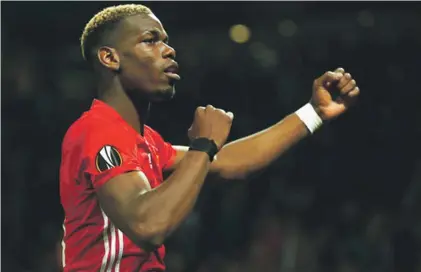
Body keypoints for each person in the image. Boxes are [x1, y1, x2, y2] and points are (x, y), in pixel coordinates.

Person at [59, 4, 360, 272]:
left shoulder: (145, 141)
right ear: (110, 57)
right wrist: (203, 146)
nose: (168, 49)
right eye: (150, 40)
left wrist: (314, 112)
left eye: (165, 40)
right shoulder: (98, 130)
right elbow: (148, 225)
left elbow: (231, 162)